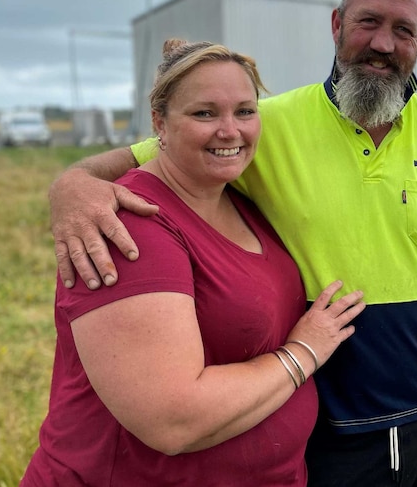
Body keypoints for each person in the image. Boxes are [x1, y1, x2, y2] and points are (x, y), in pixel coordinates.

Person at [48, 0, 417, 487]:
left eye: (403, 30)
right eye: (368, 22)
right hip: (323, 420)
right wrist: (72, 186)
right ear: (337, 25)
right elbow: (146, 159)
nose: (382, 44)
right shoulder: (261, 123)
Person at [23, 39, 365, 486]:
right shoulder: (129, 225)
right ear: (159, 124)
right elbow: (172, 420)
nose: (230, 130)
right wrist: (305, 352)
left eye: (245, 111)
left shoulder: (241, 202)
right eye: (204, 113)